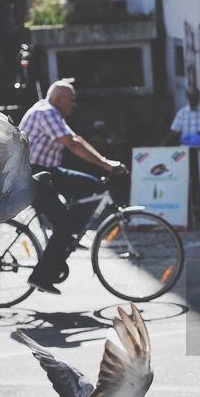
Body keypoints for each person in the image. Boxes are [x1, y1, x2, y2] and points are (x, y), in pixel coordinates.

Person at [18, 80, 125, 294]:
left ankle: (69, 234)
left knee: (90, 185)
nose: (74, 104)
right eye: (71, 99)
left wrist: (104, 161)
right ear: (59, 98)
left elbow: (76, 138)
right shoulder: (46, 113)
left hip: (48, 172)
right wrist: (106, 165)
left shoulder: (50, 111)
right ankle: (41, 276)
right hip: (34, 175)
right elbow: (72, 144)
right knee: (64, 227)